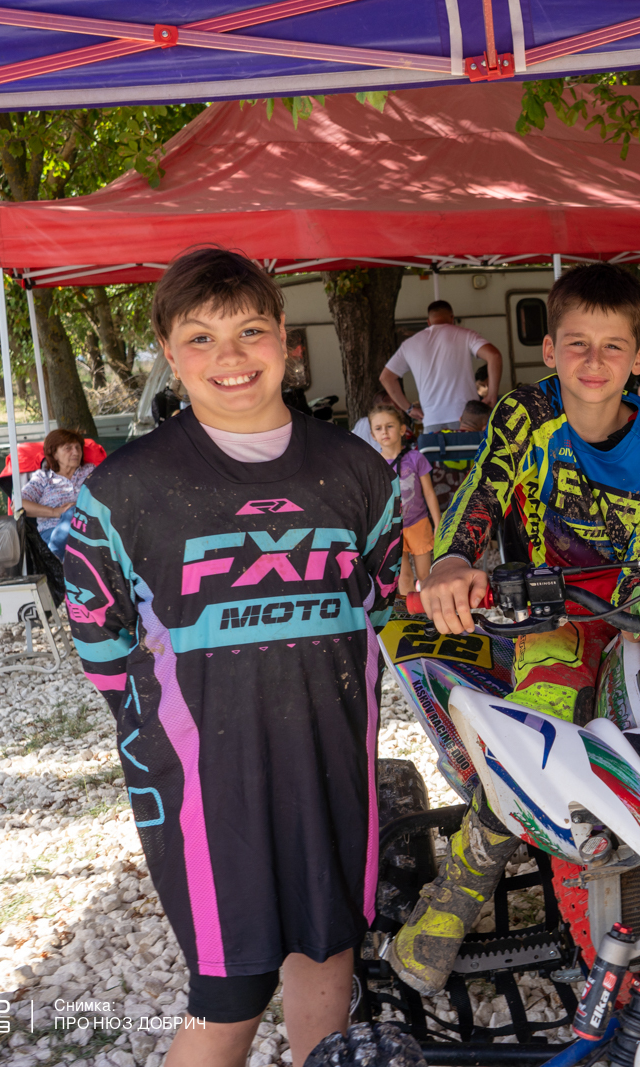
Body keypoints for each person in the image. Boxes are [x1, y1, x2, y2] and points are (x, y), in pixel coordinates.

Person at [63, 248, 402, 1067]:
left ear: (284, 335)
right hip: (202, 779)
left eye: (250, 330)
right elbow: (100, 640)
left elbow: (382, 605)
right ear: (168, 352)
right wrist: (172, 731)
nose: (231, 356)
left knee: (328, 952)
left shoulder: (356, 468)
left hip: (331, 757)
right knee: (230, 990)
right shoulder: (124, 488)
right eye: (201, 338)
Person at [391, 263, 640, 994]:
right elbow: (484, 489)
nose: (594, 360)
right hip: (546, 613)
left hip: (631, 614)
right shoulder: (527, 412)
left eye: (613, 346)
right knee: (539, 733)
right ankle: (460, 887)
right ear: (549, 349)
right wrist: (452, 560)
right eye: (577, 343)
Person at [380, 300, 503, 431]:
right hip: (465, 418)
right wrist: (492, 395)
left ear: (428, 322)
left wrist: (408, 408)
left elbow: (386, 377)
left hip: (431, 419)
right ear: (452, 318)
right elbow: (494, 356)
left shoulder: (409, 344)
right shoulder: (466, 334)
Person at [371, 404, 440, 595]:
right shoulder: (374, 464)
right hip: (391, 528)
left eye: (389, 426)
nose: (384, 432)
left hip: (418, 524)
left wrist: (438, 523)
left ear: (402, 429)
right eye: (378, 428)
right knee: (403, 577)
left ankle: (428, 610)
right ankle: (409, 612)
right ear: (373, 435)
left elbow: (429, 493)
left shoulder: (416, 458)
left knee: (425, 575)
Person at [21, 428, 98, 558]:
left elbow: (106, 496)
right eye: (68, 448)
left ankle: (55, 558)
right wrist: (56, 512)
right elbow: (19, 505)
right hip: (51, 532)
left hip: (87, 532)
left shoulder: (89, 472)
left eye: (78, 447)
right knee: (73, 513)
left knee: (76, 511)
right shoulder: (43, 478)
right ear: (55, 454)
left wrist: (78, 506)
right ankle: (56, 555)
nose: (76, 452)